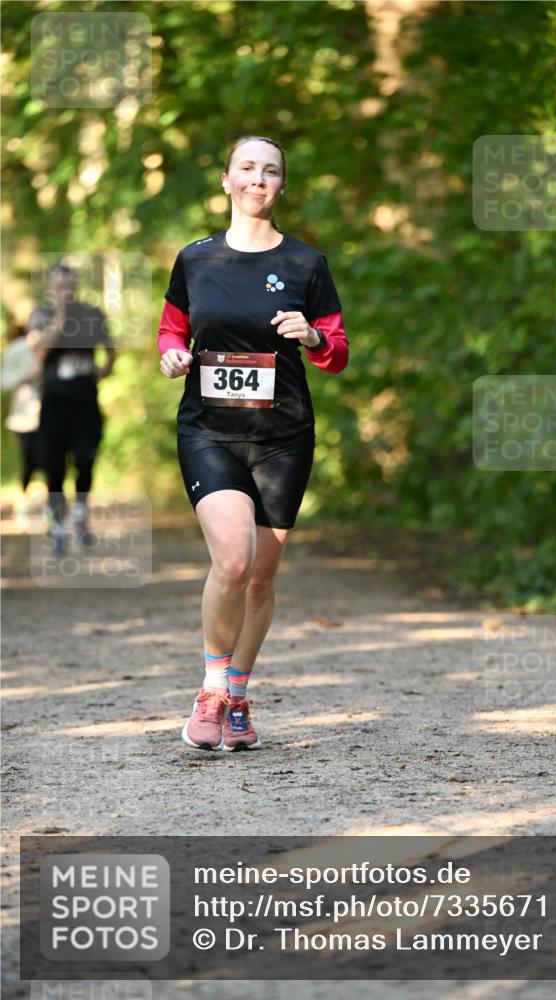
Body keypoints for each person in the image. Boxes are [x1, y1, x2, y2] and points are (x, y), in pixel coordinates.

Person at [158, 135, 349, 752]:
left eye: (270, 171)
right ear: (227, 180)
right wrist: (172, 355)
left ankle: (238, 694)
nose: (257, 179)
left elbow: (337, 353)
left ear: (281, 186)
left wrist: (312, 338)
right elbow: (171, 329)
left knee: (261, 579)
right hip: (209, 431)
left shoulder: (305, 264)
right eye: (247, 168)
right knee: (234, 561)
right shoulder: (195, 259)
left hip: (283, 437)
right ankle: (212, 690)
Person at [27, 264, 116, 555]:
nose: (64, 291)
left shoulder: (91, 314)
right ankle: (57, 529)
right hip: (53, 406)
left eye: (68, 285)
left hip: (85, 404)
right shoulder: (41, 315)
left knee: (85, 462)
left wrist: (104, 369)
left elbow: (110, 349)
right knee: (53, 469)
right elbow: (39, 352)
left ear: (76, 286)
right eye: (58, 286)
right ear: (50, 289)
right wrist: (60, 318)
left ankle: (80, 514)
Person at [0, 323, 43, 530]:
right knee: (29, 462)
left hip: (50, 414)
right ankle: (24, 508)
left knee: (51, 463)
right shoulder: (16, 349)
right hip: (23, 417)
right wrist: (27, 375)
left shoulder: (52, 345)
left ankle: (52, 511)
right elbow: (5, 381)